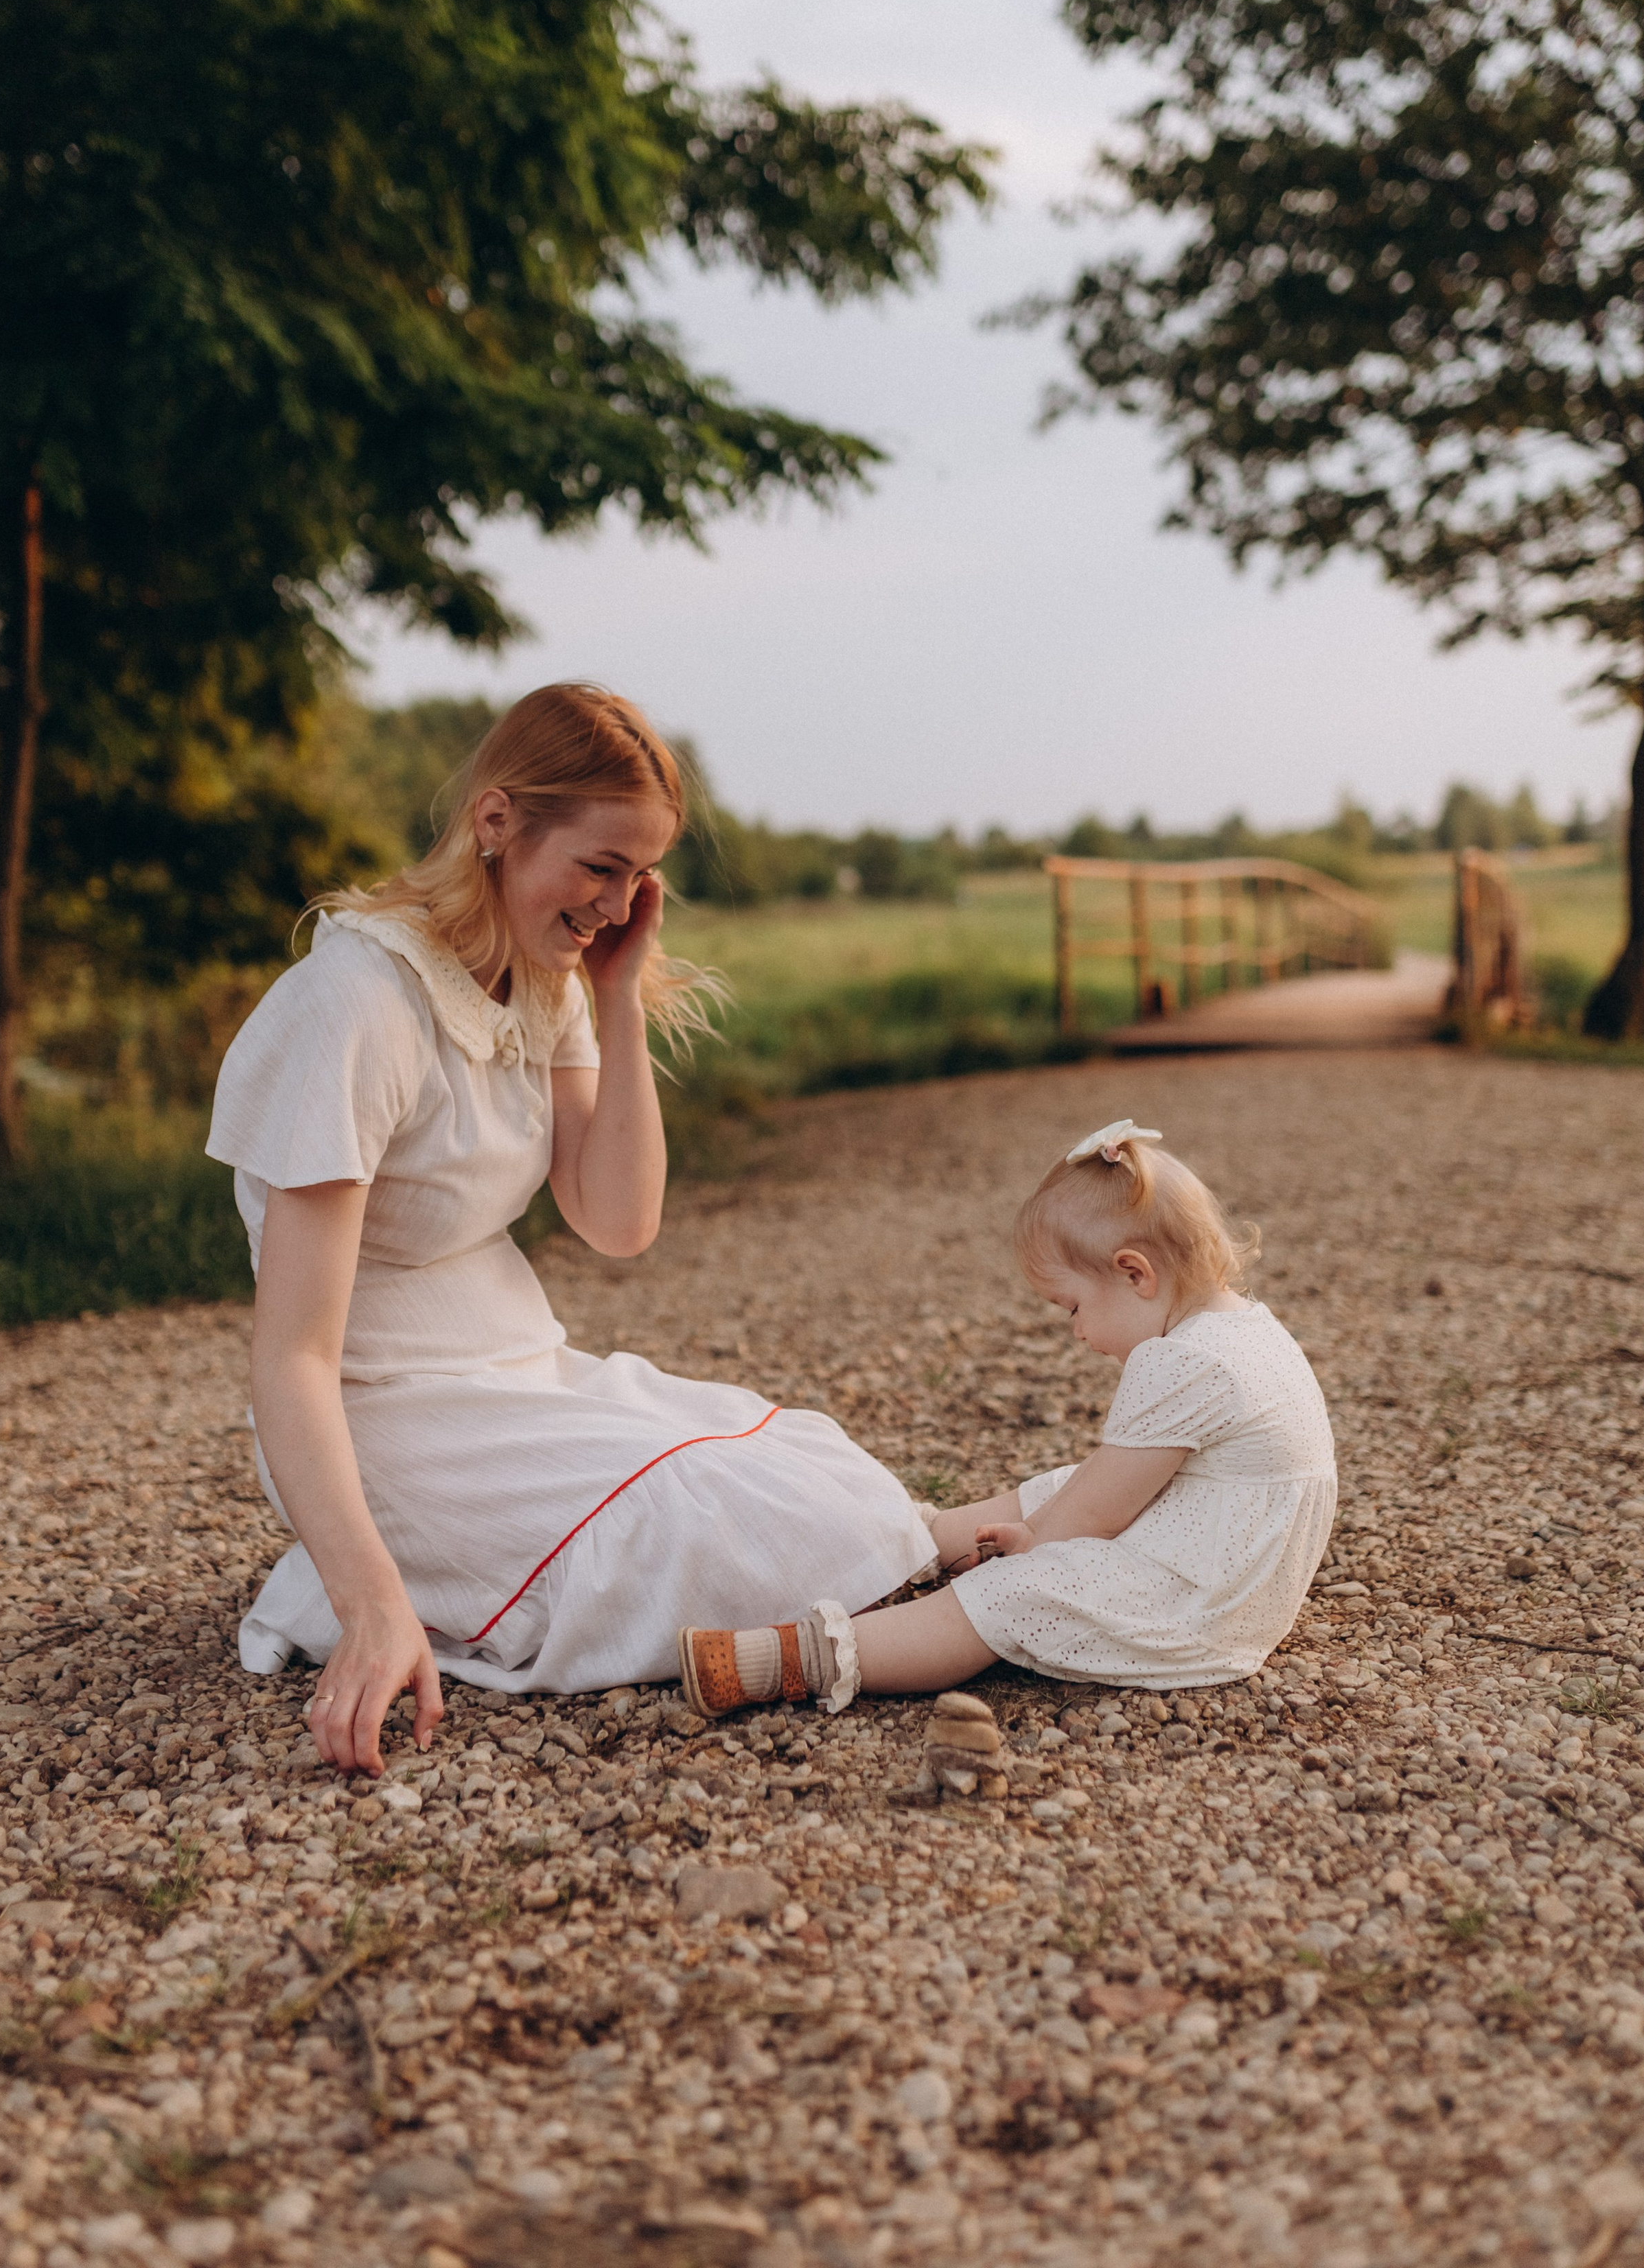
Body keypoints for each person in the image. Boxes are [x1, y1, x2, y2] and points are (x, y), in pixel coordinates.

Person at [207, 682, 935, 1775]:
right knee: (713, 1516)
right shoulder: (356, 1003)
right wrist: (371, 1612)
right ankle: (360, 1579)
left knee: (817, 1480)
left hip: (516, 1369)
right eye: (601, 868)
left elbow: (618, 1219)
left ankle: (946, 1548)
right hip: (379, 1409)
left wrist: (619, 993)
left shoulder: (545, 981)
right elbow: (294, 1357)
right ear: (496, 822)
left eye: (642, 878)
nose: (618, 902)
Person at [678, 1119, 1337, 1718]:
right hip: (1221, 1560)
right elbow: (1101, 1493)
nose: (1076, 1331)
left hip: (1202, 1607)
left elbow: (1096, 1515)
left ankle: (794, 1658)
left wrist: (1034, 1547)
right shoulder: (1243, 1329)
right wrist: (1049, 1521)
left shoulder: (1181, 1363)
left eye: (1071, 1306)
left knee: (1018, 1589)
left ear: (1134, 1273)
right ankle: (920, 1541)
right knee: (1067, 1484)